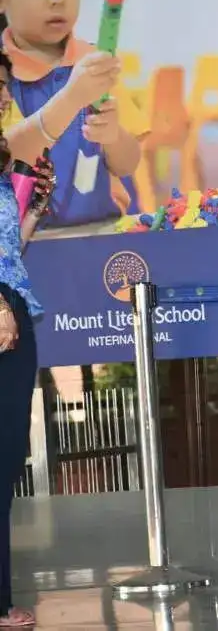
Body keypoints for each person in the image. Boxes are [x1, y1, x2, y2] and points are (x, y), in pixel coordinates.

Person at [0, 0, 148, 233]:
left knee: (146, 279)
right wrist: (71, 99)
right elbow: (10, 158)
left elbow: (129, 164)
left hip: (104, 235)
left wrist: (113, 135)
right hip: (25, 249)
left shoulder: (93, 61)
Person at [0, 48, 53, 628]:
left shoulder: (4, 157)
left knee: (7, 453)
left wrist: (34, 207)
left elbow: (9, 249)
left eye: (4, 85)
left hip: (13, 303)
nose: (1, 94)